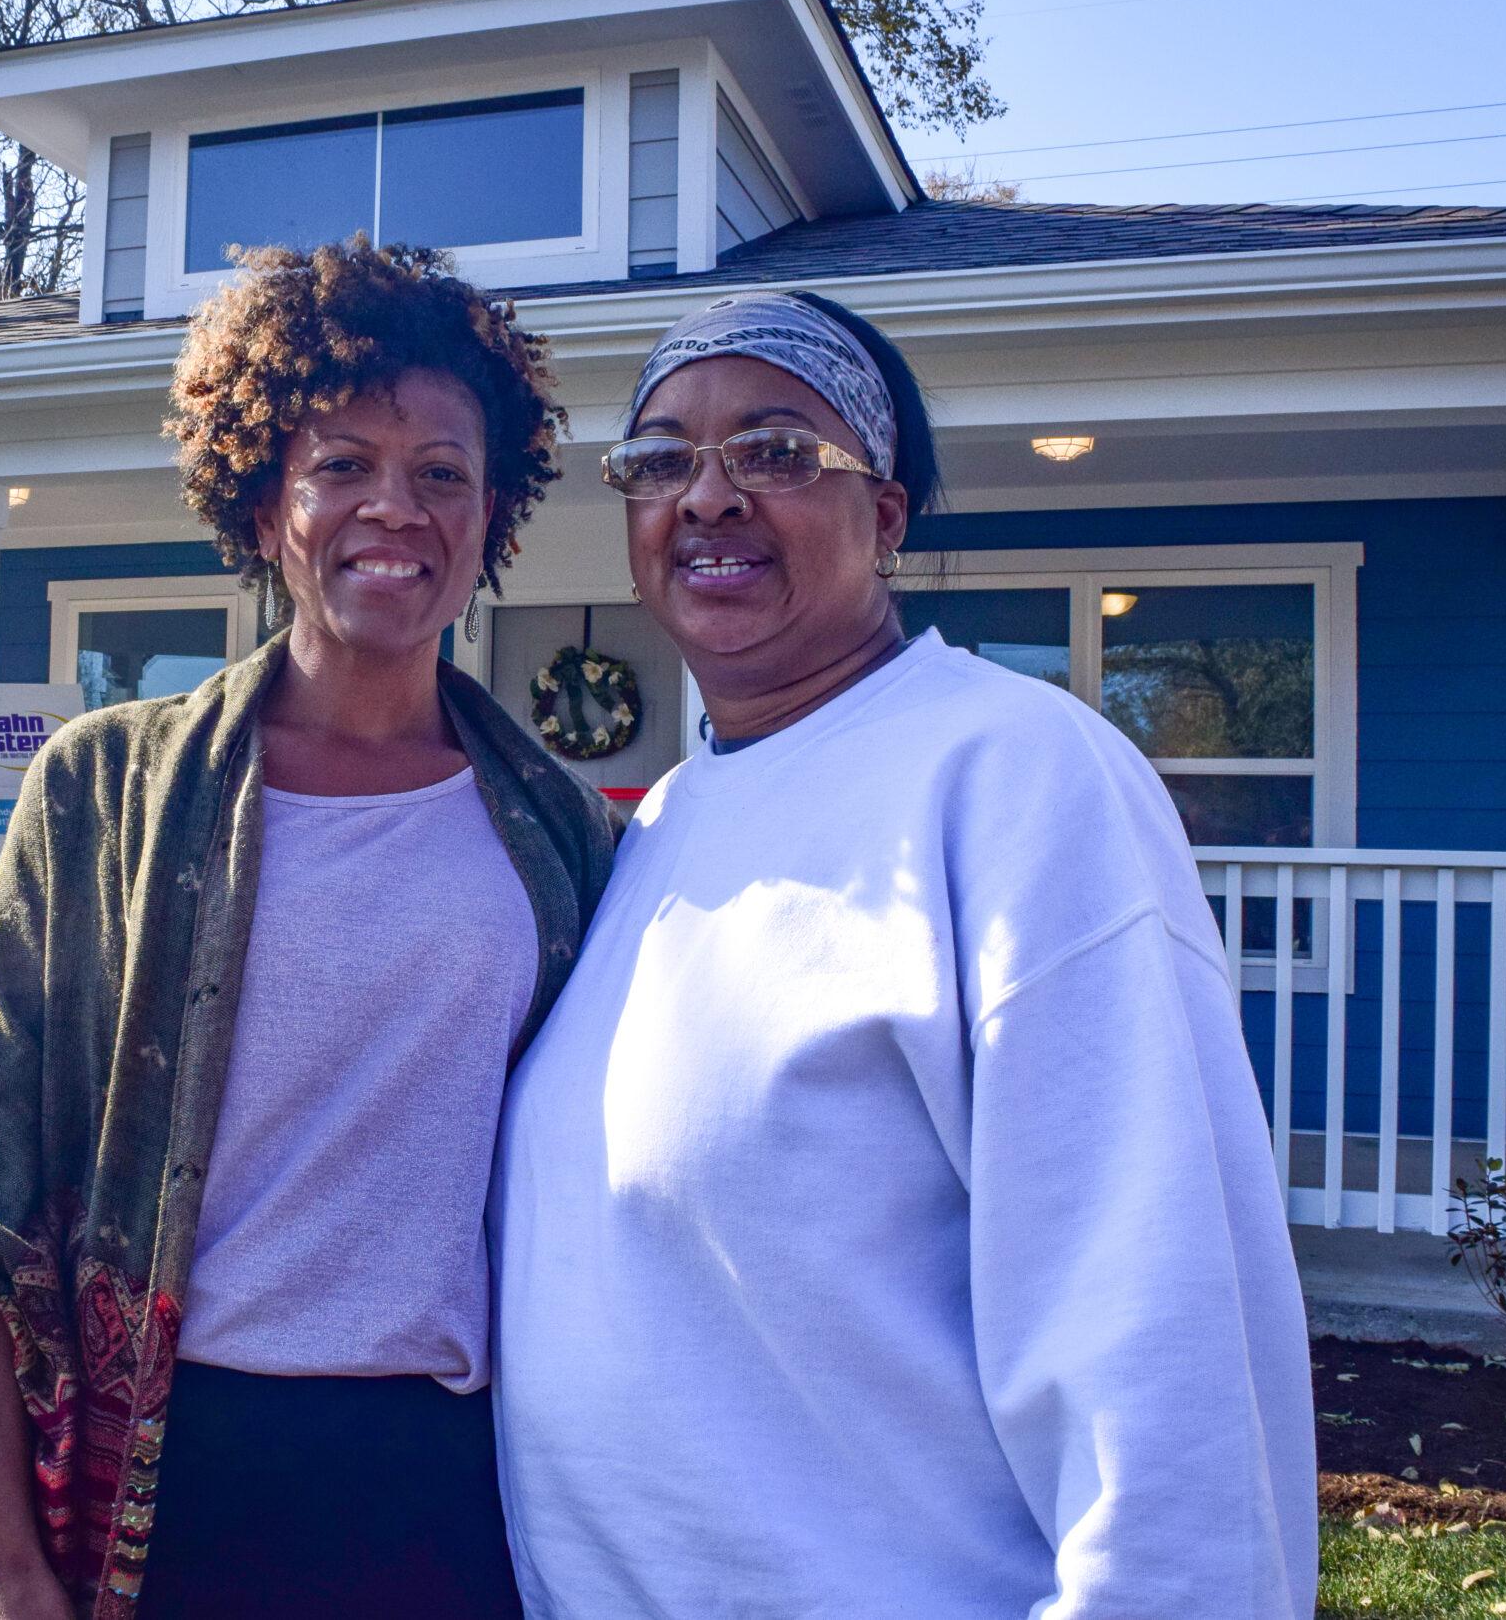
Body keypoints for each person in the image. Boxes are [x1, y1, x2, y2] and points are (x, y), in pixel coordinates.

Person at [491, 290, 1319, 1617]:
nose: (705, 498)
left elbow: (1163, 1350)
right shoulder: (665, 824)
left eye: (775, 452)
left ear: (885, 513)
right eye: (659, 462)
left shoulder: (1014, 779)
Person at [0, 239, 619, 1620]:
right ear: (267, 495)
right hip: (157, 1486)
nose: (392, 507)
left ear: (492, 510)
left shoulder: (565, 839)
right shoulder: (100, 797)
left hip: (453, 1489)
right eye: (341, 462)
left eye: (441, 472)